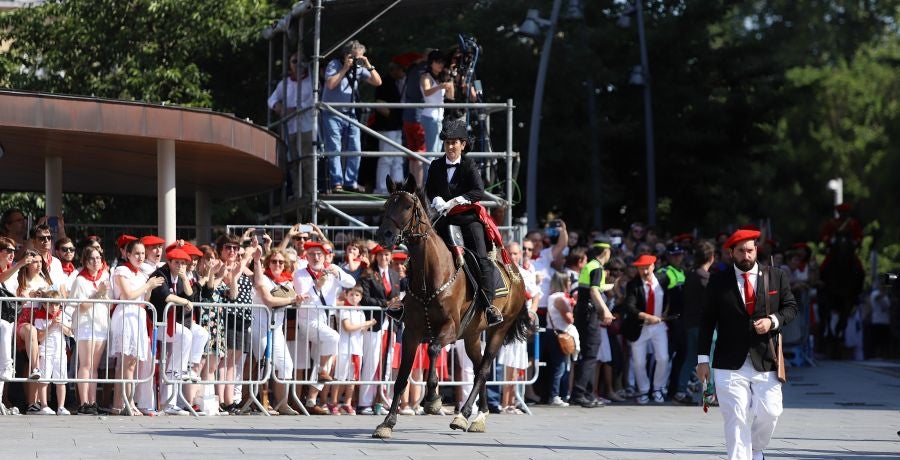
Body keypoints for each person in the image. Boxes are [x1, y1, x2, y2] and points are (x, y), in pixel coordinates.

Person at [696, 229, 798, 460]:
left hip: (766, 357)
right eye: (740, 251)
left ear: (756, 251)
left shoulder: (775, 276)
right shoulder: (718, 281)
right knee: (736, 416)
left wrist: (772, 321)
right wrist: (703, 360)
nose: (746, 255)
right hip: (728, 361)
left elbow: (791, 308)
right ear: (731, 253)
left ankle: (756, 449)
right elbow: (707, 321)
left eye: (750, 250)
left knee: (771, 412)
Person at [423, 118, 503, 326]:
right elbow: (429, 189)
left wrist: (458, 200)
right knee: (423, 250)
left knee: (482, 257)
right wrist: (436, 200)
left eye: (454, 143)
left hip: (467, 220)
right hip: (445, 219)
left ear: (462, 144)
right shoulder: (435, 165)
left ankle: (489, 305)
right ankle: (409, 300)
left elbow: (478, 191)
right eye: (447, 143)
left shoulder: (469, 164)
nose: (450, 147)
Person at [292, 241, 354, 414]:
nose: (316, 257)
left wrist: (339, 275)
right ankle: (318, 375)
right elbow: (304, 297)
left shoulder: (332, 268)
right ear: (306, 256)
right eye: (312, 254)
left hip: (326, 321)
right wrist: (317, 286)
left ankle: (311, 399)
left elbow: (351, 282)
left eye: (319, 254)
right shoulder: (300, 274)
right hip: (308, 320)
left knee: (325, 359)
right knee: (334, 338)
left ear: (325, 255)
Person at [110, 240, 164, 416]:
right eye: (137, 253)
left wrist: (149, 287)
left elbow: (145, 299)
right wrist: (148, 285)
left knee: (130, 363)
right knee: (127, 363)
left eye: (142, 253)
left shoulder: (141, 274)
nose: (140, 257)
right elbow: (127, 295)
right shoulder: (121, 271)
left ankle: (123, 403)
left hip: (138, 316)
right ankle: (126, 402)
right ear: (127, 254)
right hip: (126, 315)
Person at [322, 39, 382, 192]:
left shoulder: (359, 68)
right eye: (356, 57)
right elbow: (330, 84)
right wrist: (344, 68)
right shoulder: (334, 65)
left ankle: (351, 182)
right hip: (332, 113)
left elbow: (377, 82)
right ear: (347, 55)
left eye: (361, 57)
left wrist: (368, 65)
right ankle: (337, 183)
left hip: (350, 113)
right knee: (334, 149)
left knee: (355, 148)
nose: (358, 60)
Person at [251, 247, 301, 416]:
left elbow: (294, 302)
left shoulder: (287, 282)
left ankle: (282, 403)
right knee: (265, 364)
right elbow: (268, 300)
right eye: (274, 261)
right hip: (260, 325)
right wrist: (292, 299)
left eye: (281, 262)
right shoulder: (262, 278)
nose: (277, 264)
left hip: (277, 328)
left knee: (287, 365)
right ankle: (261, 402)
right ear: (268, 263)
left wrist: (297, 300)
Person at [569, 239, 614, 408]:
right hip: (589, 316)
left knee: (588, 354)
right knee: (591, 354)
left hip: (583, 315)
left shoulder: (590, 266)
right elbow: (594, 291)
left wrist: (609, 286)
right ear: (605, 252)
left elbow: (593, 287)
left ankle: (586, 393)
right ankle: (580, 393)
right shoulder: (597, 267)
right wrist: (605, 310)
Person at [621, 254, 670, 404]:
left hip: (659, 326)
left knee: (663, 358)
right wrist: (648, 317)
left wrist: (666, 313)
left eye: (647, 268)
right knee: (639, 362)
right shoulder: (633, 285)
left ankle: (657, 388)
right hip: (640, 327)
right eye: (641, 269)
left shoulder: (663, 279)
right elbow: (629, 307)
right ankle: (643, 390)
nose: (645, 272)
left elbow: (670, 298)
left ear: (653, 266)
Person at [672, 240, 716, 405]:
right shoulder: (706, 277)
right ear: (711, 257)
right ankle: (709, 395)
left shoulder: (690, 275)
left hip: (690, 324)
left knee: (691, 358)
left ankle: (680, 392)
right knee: (708, 360)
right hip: (705, 325)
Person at [69, 246, 111, 415]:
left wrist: (103, 294)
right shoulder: (80, 280)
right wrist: (97, 294)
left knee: (94, 366)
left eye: (98, 258)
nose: (96, 262)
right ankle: (83, 402)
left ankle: (93, 401)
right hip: (86, 324)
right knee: (85, 364)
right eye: (92, 259)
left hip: (100, 324)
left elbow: (110, 301)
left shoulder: (105, 278)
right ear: (85, 262)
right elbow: (82, 305)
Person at [269, 52, 315, 202]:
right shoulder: (285, 83)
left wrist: (295, 109)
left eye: (302, 61)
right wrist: (278, 107)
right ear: (289, 64)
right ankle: (297, 193)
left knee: (307, 161)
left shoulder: (312, 81)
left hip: (307, 127)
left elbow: (314, 102)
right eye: (295, 61)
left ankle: (310, 193)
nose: (298, 64)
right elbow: (271, 99)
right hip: (290, 129)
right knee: (293, 162)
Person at [331, 284, 375, 415]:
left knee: (352, 378)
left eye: (357, 295)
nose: (354, 297)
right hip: (344, 348)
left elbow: (362, 330)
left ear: (361, 297)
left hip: (357, 348)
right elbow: (348, 327)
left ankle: (347, 403)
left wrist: (368, 325)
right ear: (347, 295)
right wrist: (366, 323)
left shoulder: (360, 311)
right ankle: (334, 402)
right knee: (339, 377)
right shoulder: (345, 309)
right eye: (351, 294)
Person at [33, 290, 73, 415]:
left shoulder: (63, 316)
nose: (53, 308)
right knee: (44, 379)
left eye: (56, 304)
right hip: (45, 351)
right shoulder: (40, 316)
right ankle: (44, 405)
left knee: (61, 380)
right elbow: (39, 337)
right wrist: (51, 325)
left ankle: (61, 406)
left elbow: (70, 332)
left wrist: (61, 324)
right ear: (44, 305)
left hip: (60, 352)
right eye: (50, 304)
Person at [373, 60, 406, 195]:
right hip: (387, 126)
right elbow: (379, 104)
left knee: (397, 158)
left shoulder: (396, 83)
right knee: (386, 158)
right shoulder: (384, 82)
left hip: (396, 126)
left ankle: (398, 185)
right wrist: (392, 116)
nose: (402, 73)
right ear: (393, 70)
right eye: (400, 70)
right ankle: (382, 188)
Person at [420, 50, 454, 153]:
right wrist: (440, 86)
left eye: (442, 62)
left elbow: (450, 97)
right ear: (431, 62)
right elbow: (426, 92)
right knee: (431, 151)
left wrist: (450, 86)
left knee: (438, 150)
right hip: (429, 116)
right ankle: (429, 169)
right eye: (438, 62)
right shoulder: (425, 76)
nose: (441, 65)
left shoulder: (442, 77)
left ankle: (433, 169)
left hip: (440, 117)